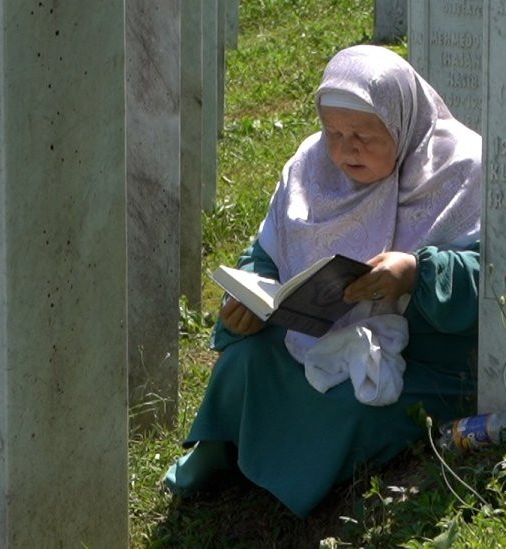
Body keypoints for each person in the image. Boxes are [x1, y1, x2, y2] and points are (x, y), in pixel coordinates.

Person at [164, 45, 482, 518]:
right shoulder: (311, 167)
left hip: (419, 352)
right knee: (243, 362)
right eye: (334, 132)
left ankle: (283, 484)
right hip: (316, 334)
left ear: (403, 122)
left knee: (350, 404)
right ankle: (222, 451)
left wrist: (416, 273)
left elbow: (498, 275)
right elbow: (268, 252)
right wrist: (253, 294)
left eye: (364, 135)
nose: (345, 149)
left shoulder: (462, 171)